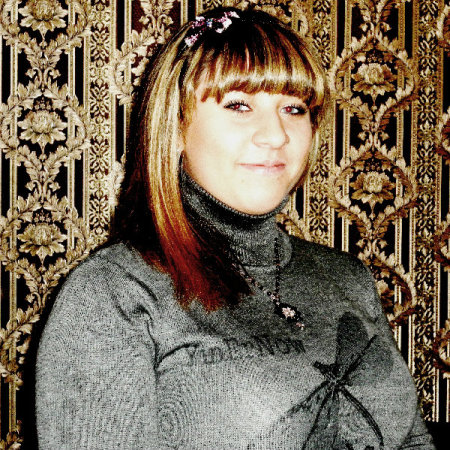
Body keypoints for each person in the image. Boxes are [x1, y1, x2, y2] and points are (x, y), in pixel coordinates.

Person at [35, 7, 435, 449]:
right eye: (240, 105)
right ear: (177, 127)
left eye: (294, 108)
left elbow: (411, 440)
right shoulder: (113, 293)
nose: (277, 135)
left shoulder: (347, 277)